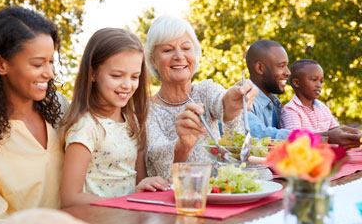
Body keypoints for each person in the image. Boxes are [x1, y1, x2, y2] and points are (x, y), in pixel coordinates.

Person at [0, 6, 68, 224]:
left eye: (50, 62)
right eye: (38, 64)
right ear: (1, 64)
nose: (49, 73)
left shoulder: (59, 107)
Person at [59, 28, 169, 208]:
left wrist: (145, 188)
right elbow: (70, 198)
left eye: (135, 77)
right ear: (93, 73)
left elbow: (137, 185)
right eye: (116, 76)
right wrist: (127, 201)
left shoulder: (132, 121)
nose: (127, 85)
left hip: (130, 220)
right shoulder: (86, 127)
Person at [144, 16, 259, 180]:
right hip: (174, 199)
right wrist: (183, 144)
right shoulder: (146, 110)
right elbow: (160, 165)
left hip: (220, 193)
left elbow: (223, 103)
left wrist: (234, 101)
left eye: (186, 48)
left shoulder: (205, 90)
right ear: (153, 60)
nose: (179, 56)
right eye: (167, 50)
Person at [245, 39, 361, 149]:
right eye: (281, 66)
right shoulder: (242, 98)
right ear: (260, 68)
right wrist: (324, 138)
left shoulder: (275, 103)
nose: (288, 72)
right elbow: (258, 135)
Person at [281, 59, 339, 131]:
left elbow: (336, 130)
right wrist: (328, 137)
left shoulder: (323, 108)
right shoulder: (291, 110)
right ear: (297, 83)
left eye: (321, 81)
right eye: (314, 80)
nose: (319, 85)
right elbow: (296, 138)